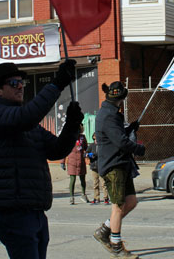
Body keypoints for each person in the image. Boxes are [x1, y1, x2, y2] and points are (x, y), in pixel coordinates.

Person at [0, 60, 83, 259]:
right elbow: (27, 116)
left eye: (21, 82)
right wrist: (56, 84)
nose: (20, 86)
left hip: (35, 211)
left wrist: (71, 126)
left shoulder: (28, 125)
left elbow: (56, 150)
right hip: (13, 212)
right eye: (13, 83)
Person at [94, 81, 145, 259]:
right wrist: (138, 148)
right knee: (118, 206)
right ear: (122, 98)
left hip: (121, 163)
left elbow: (117, 135)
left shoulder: (112, 113)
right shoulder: (108, 115)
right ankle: (116, 246)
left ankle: (104, 230)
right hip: (113, 165)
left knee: (131, 202)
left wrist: (130, 128)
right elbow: (120, 141)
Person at [61, 124, 89, 204]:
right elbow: (64, 150)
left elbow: (87, 149)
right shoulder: (69, 138)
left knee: (83, 179)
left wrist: (90, 156)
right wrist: (62, 162)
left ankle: (83, 194)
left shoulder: (82, 138)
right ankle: (71, 197)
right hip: (72, 162)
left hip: (81, 162)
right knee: (72, 180)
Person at [87, 132, 110, 204]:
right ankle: (96, 198)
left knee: (103, 183)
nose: (96, 137)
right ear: (93, 137)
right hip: (94, 166)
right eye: (94, 136)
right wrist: (88, 154)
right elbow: (85, 153)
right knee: (95, 184)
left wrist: (94, 154)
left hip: (101, 166)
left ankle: (106, 198)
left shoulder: (102, 145)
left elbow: (103, 154)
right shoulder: (91, 145)